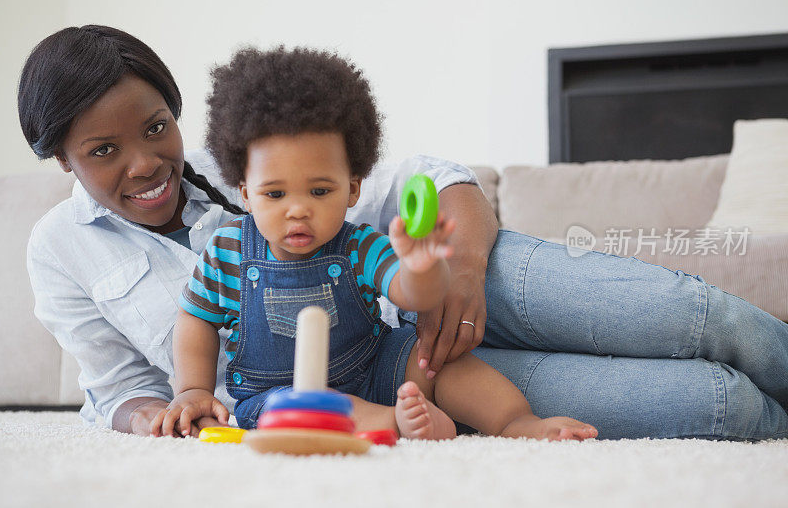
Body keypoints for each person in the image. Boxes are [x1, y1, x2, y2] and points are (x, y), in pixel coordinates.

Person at [20, 25, 788, 440]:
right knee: (720, 407)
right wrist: (165, 406)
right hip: (371, 381)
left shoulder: (250, 153)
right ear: (63, 157)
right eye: (103, 150)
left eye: (157, 127)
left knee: (700, 317)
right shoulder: (63, 250)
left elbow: (407, 177)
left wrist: (443, 259)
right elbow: (123, 385)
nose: (147, 162)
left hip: (450, 279)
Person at [154, 47, 600, 441]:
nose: (298, 210)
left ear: (352, 190)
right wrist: (192, 389)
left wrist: (421, 265)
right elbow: (196, 319)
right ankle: (395, 422)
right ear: (245, 192)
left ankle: (515, 422)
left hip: (375, 368)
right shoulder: (228, 250)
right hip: (278, 395)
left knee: (438, 366)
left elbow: (412, 294)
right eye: (275, 194)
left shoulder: (359, 245)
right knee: (291, 410)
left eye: (319, 191)